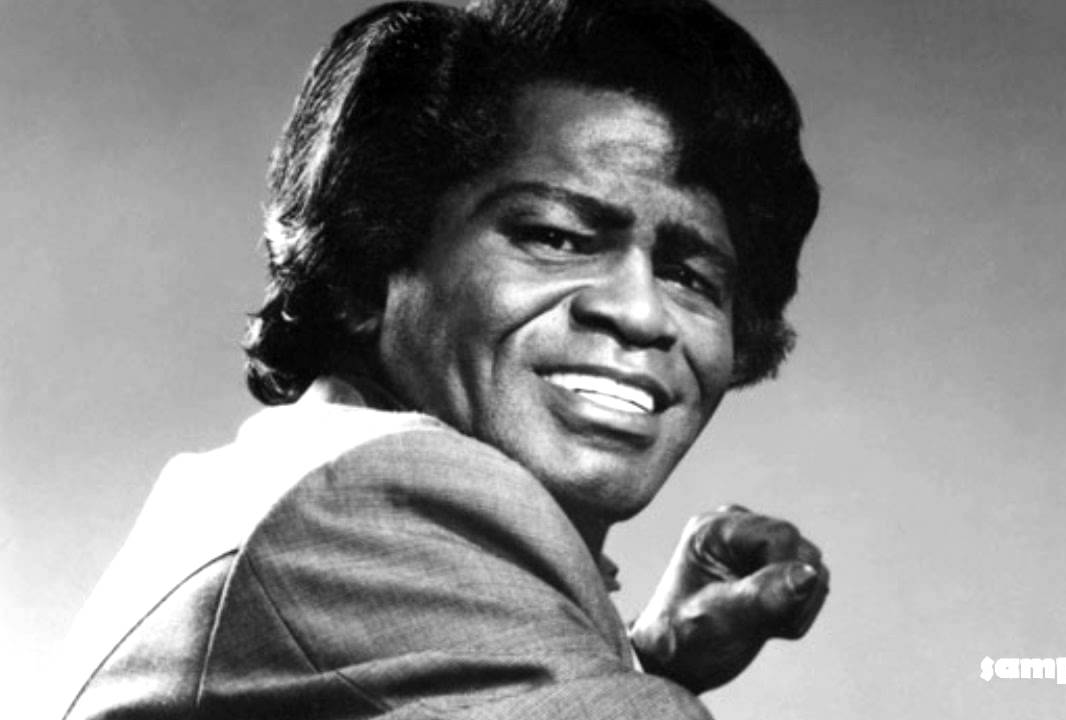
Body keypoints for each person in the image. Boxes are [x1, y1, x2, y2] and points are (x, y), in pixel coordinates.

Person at [60, 0, 827, 717]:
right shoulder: (381, 496)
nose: (640, 312)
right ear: (371, 261)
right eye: (555, 236)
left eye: (692, 277)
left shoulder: (284, 480)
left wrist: (641, 664)